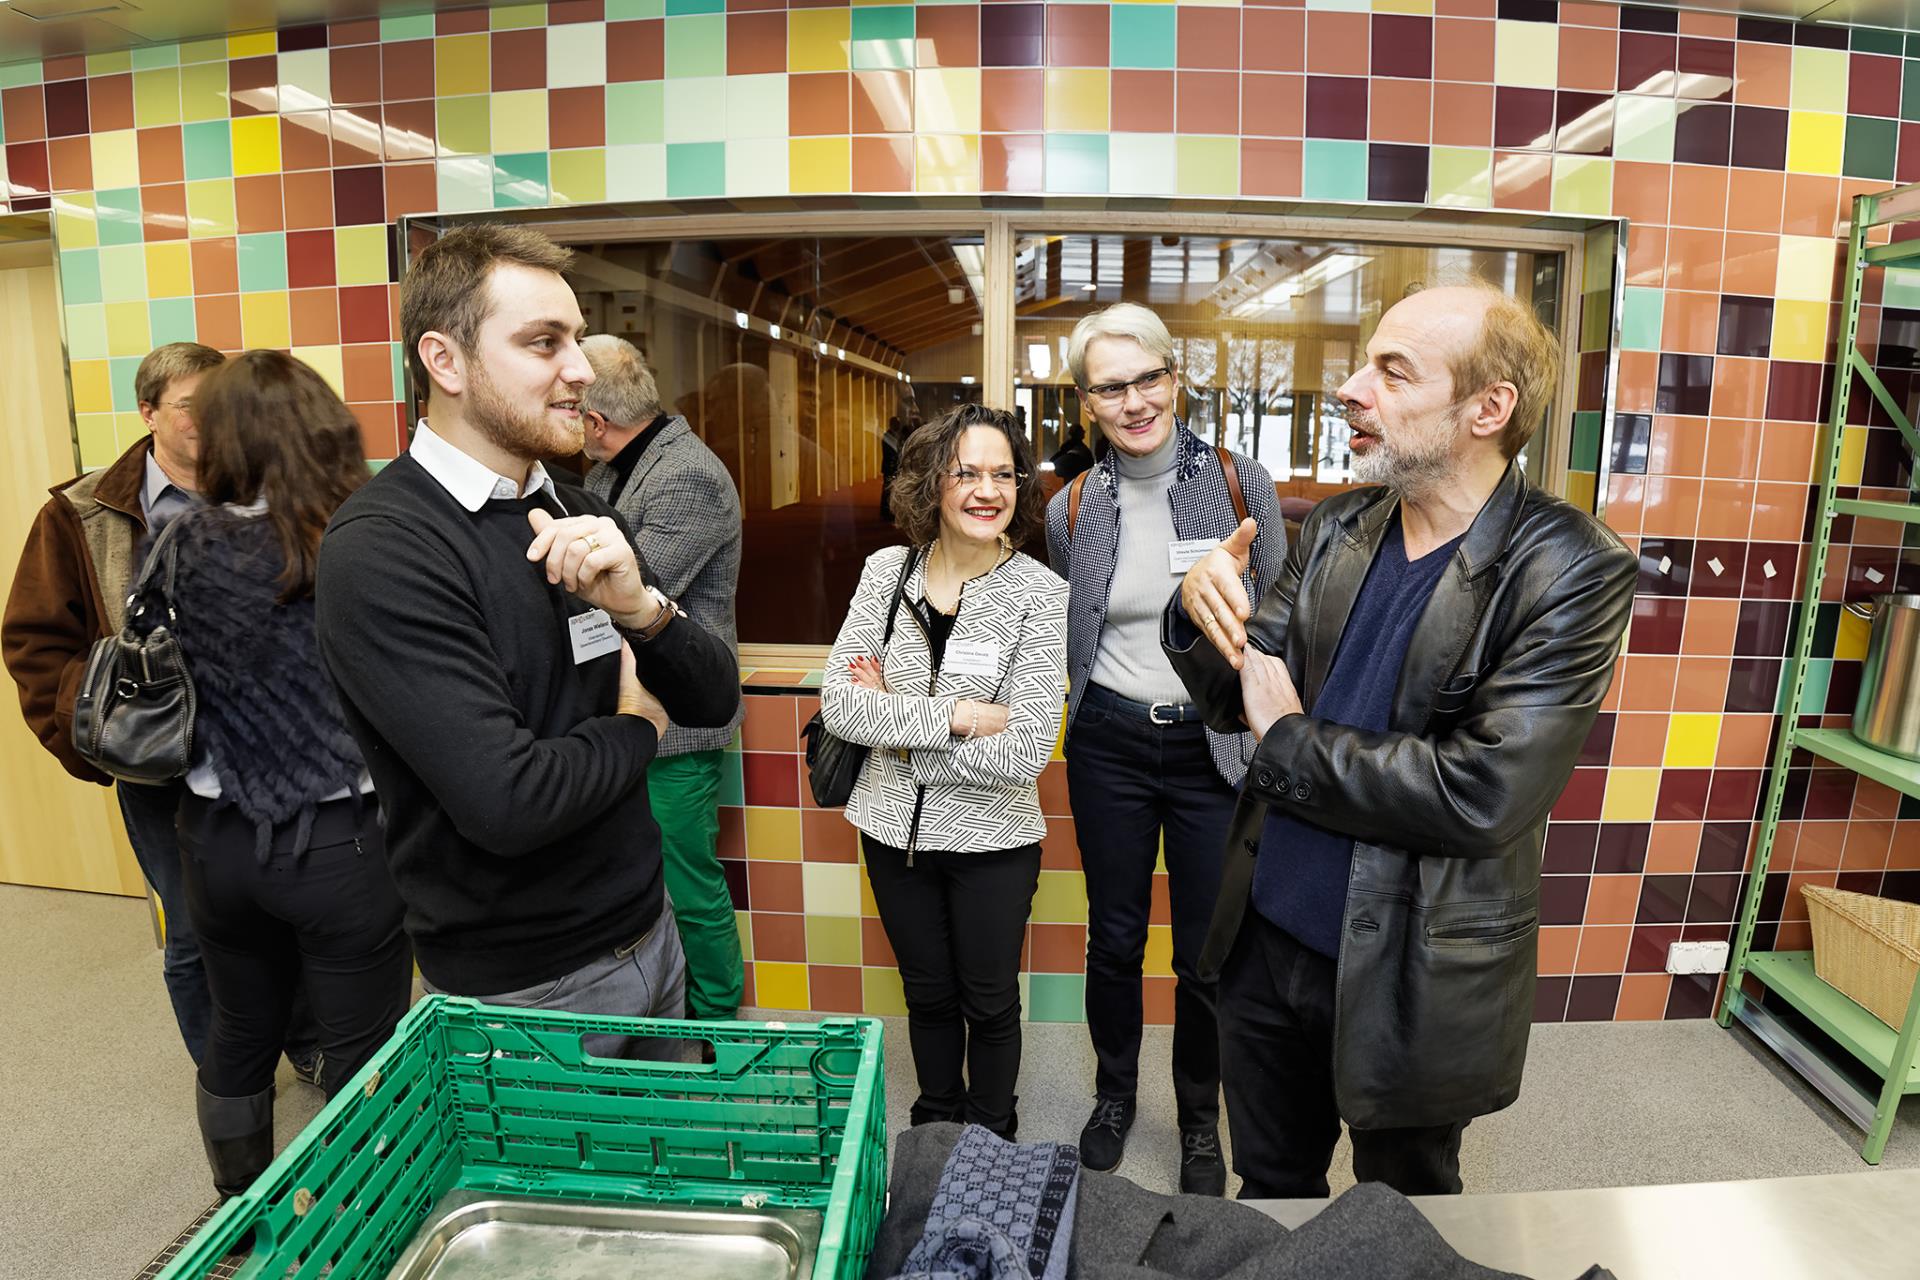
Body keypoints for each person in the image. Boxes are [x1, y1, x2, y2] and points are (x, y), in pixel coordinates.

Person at [1167, 280, 1637, 1198]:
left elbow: (1481, 793)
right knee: (1270, 1190)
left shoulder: (1571, 567)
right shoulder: (1338, 527)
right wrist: (1195, 613)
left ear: (1487, 409)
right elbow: (1239, 695)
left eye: (1393, 371)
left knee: (1403, 1215)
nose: (1351, 389)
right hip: (1267, 934)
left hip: (1413, 969)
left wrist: (1289, 736)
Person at [314, 224, 740, 1058]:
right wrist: (639, 726)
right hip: (526, 987)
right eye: (544, 342)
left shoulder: (579, 509)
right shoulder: (385, 547)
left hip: (651, 932)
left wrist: (642, 610)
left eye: (576, 339)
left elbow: (713, 697)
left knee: (666, 1142)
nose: (580, 370)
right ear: (445, 361)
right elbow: (508, 803)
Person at [3, 341, 317, 1083]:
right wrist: (93, 738)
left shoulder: (275, 490)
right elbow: (33, 640)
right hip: (162, 770)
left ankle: (310, 1048)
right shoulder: (84, 513)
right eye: (190, 407)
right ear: (147, 413)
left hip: (273, 751)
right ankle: (229, 1077)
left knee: (296, 907)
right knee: (197, 929)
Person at [1044, 303, 1284, 1195]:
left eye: (1149, 378)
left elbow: (1281, 615)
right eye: (1112, 387)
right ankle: (1114, 1097)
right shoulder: (1072, 506)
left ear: (1175, 379)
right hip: (1107, 742)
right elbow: (1077, 627)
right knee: (1112, 939)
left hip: (1211, 747)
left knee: (1203, 952)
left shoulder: (1237, 482)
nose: (1135, 401)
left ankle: (1196, 1120)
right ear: (1086, 402)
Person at [161, 350, 412, 1197]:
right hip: (337, 841)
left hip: (214, 839)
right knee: (365, 1049)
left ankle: (240, 1210)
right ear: (324, 428)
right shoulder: (349, 539)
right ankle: (365, 1217)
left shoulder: (181, 538)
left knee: (239, 1029)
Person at [821, 404, 1066, 1140]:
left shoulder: (1040, 594)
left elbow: (1025, 751)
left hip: (994, 840)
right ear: (933, 482)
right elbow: (840, 707)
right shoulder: (885, 573)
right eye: (967, 473)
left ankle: (990, 1133)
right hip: (891, 831)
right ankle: (934, 1123)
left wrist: (894, 725)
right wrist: (958, 716)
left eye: (1005, 475)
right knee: (926, 995)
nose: (988, 491)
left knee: (988, 1003)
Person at [578, 333, 747, 1022]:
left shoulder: (688, 476)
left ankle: (716, 1028)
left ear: (595, 421)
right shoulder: (608, 471)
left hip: (678, 722)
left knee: (687, 887)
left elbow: (626, 594)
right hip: (621, 715)